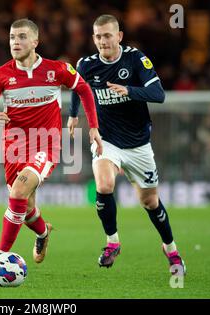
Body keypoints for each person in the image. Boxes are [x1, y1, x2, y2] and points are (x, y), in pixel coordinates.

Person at [0, 18, 102, 268]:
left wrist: (93, 126)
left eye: (22, 37)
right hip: (14, 147)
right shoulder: (1, 75)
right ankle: (43, 232)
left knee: (18, 193)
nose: (15, 42)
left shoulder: (57, 70)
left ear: (35, 41)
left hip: (47, 144)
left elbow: (85, 90)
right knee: (25, 206)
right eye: (12, 37)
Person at [68, 15, 186, 275]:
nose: (103, 41)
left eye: (108, 35)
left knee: (150, 202)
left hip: (138, 144)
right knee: (104, 184)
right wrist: (74, 115)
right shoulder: (86, 65)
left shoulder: (135, 59)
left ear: (119, 36)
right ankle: (112, 242)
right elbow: (78, 89)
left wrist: (129, 90)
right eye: (98, 36)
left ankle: (171, 249)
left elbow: (159, 95)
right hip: (106, 139)